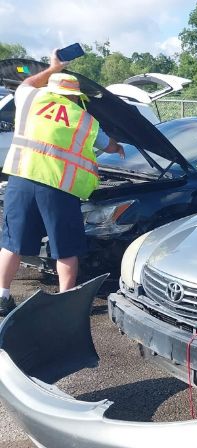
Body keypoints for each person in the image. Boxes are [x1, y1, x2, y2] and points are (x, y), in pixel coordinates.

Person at [0, 50, 125, 317]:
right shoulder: (85, 120)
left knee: (12, 243)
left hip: (21, 180)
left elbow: (26, 84)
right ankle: (64, 306)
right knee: (65, 249)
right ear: (75, 97)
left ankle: (2, 297)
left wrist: (52, 67)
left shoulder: (32, 99)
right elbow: (109, 145)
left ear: (51, 87)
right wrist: (120, 148)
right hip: (58, 187)